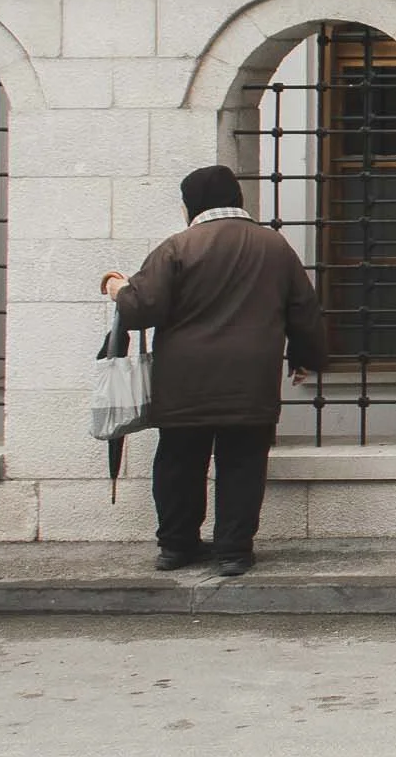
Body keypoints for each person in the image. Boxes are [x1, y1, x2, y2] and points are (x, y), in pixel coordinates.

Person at [101, 165, 325, 577]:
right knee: (243, 462)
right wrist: (305, 357)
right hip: (250, 379)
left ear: (192, 205)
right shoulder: (275, 247)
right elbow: (304, 311)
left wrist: (117, 288)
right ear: (237, 198)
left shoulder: (178, 247)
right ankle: (234, 551)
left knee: (179, 461)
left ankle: (176, 546)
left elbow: (140, 309)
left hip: (184, 382)